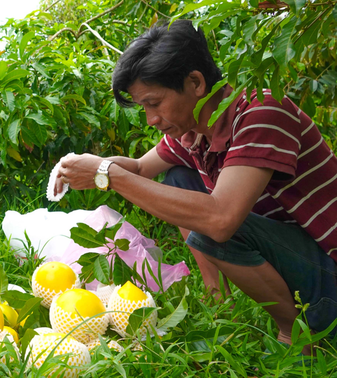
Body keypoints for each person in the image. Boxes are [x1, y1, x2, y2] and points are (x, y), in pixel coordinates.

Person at [53, 20, 337, 350]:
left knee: (209, 224)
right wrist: (88, 165)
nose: (151, 119)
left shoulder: (261, 114)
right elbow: (142, 168)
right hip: (290, 250)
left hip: (327, 265)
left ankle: (301, 333)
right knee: (179, 179)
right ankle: (218, 296)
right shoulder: (193, 131)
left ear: (195, 82)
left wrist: (107, 175)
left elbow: (220, 219)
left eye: (154, 103)